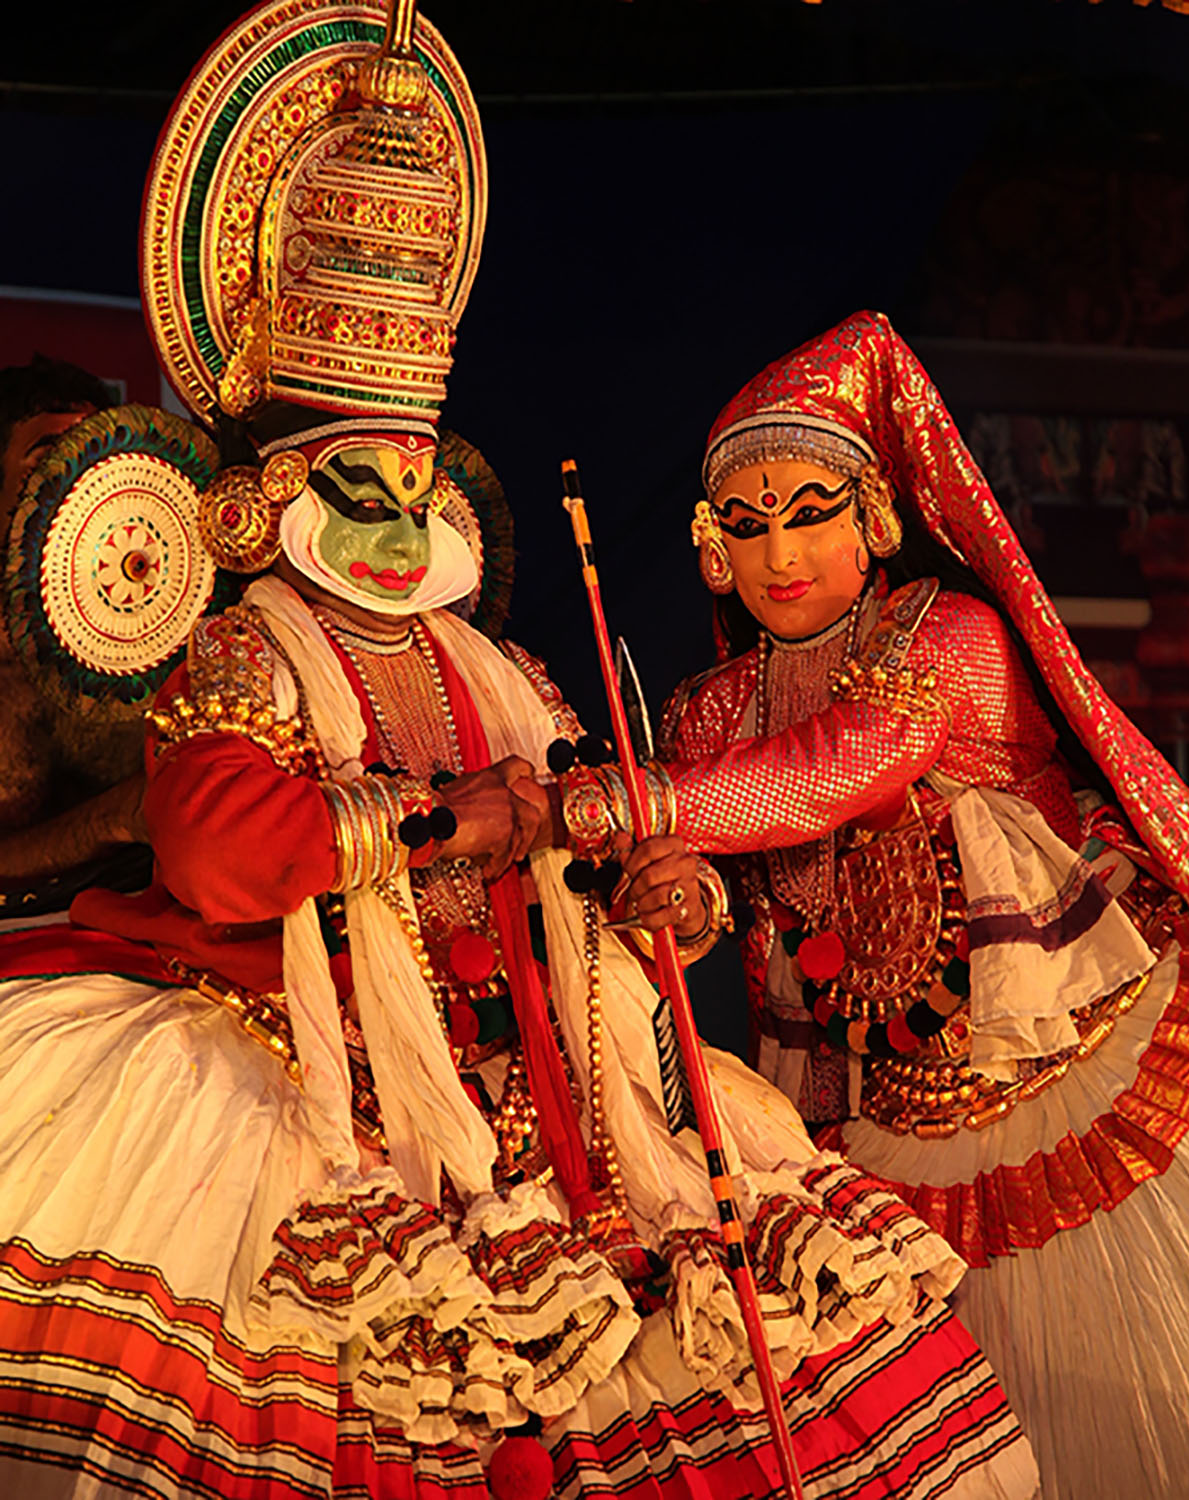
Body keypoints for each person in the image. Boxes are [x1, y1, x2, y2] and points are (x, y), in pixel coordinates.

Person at [0, 7, 1038, 1497]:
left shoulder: (505, 671)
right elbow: (218, 849)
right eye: (359, 485)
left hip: (548, 1092)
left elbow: (590, 852)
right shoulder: (246, 653)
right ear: (275, 496)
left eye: (417, 483)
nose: (395, 521)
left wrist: (673, 896)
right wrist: (444, 827)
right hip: (327, 1086)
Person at [581, 308, 1189, 1500]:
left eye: (811, 514)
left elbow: (844, 765)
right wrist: (682, 901)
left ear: (875, 519)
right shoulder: (711, 710)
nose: (780, 554)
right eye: (747, 526)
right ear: (712, 550)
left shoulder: (948, 635)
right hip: (863, 1106)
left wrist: (616, 802)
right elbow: (735, 890)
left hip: (1050, 1070)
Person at [0, 355, 148, 912]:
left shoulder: (165, 630)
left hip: (143, 923)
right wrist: (116, 818)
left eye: (96, 459)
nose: (81, 483)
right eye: (49, 459)